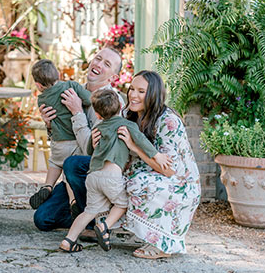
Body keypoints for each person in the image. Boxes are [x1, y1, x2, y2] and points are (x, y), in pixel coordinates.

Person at [58, 89, 171, 253]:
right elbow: (141, 141)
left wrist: (95, 144)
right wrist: (157, 155)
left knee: (90, 211)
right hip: (111, 175)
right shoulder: (127, 125)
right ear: (120, 106)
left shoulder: (98, 128)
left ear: (97, 114)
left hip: (93, 176)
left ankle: (68, 241)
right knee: (122, 203)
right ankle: (104, 226)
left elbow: (89, 150)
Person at [33, 47, 123, 231]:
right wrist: (50, 125)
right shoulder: (74, 90)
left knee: (72, 164)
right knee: (42, 219)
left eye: (106, 64)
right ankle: (82, 216)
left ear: (113, 77)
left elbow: (91, 150)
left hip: (94, 174)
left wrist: (77, 112)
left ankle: (97, 218)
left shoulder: (113, 104)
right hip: (72, 178)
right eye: (97, 58)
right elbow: (63, 139)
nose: (98, 64)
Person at [117, 70, 201, 259]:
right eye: (131, 89)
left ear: (153, 94)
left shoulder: (168, 121)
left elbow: (169, 170)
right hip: (144, 170)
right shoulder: (128, 114)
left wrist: (135, 147)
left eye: (141, 91)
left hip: (178, 183)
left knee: (139, 183)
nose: (133, 95)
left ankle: (162, 244)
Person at [28, 59, 92, 210]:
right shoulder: (71, 86)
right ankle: (73, 202)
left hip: (57, 142)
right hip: (75, 141)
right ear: (58, 74)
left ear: (38, 85)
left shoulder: (41, 99)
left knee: (55, 163)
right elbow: (89, 99)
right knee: (68, 174)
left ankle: (47, 187)